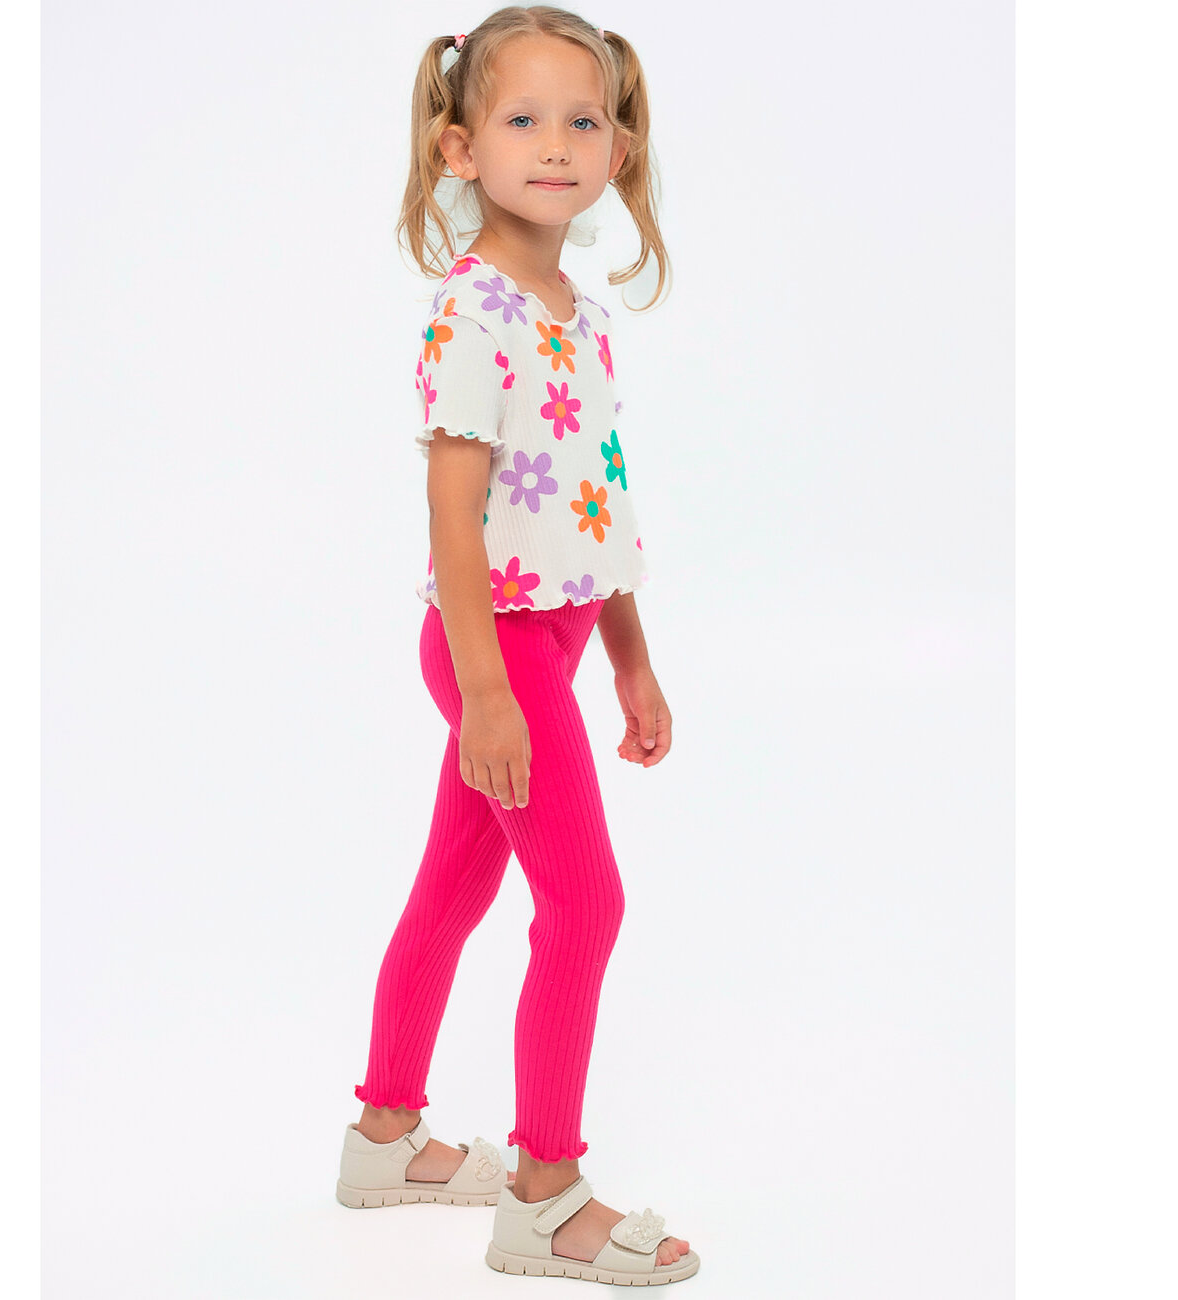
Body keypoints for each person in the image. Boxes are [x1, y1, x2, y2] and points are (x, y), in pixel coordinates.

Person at [337, 6, 700, 1285]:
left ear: (618, 151)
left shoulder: (575, 313)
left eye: (583, 120)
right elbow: (454, 518)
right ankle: (545, 1194)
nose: (556, 144)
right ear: (459, 148)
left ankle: (386, 1137)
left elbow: (593, 504)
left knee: (454, 888)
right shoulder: (472, 312)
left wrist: (631, 658)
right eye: (523, 119)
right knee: (585, 903)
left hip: (556, 642)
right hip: (490, 649)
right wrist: (488, 693)